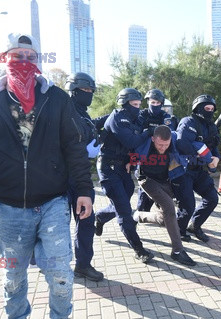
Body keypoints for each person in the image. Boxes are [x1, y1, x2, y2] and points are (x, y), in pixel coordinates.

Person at [0, 33, 94, 319]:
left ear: (38, 61)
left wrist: (84, 189)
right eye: (17, 56)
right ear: (4, 58)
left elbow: (74, 146)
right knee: (13, 279)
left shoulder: (56, 98)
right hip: (9, 208)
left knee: (61, 276)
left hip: (53, 203)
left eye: (31, 57)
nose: (24, 62)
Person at [94, 88, 155, 263]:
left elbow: (135, 146)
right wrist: (147, 132)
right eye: (134, 104)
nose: (137, 108)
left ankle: (100, 217)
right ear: (125, 103)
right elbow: (131, 141)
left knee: (123, 199)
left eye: (139, 104)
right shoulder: (118, 118)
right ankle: (139, 249)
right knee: (124, 211)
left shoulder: (133, 118)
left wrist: (133, 160)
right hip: (108, 168)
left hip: (124, 168)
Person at [131, 125, 197, 266]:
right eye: (160, 144)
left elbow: (189, 146)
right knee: (169, 208)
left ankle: (138, 216)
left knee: (164, 219)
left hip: (165, 181)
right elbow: (129, 147)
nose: (163, 148)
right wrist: (127, 163)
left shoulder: (174, 141)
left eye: (166, 145)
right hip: (147, 180)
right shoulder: (145, 143)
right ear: (153, 139)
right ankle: (178, 251)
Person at [64, 72, 104, 281]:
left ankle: (83, 264)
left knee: (86, 221)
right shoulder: (62, 112)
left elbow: (89, 129)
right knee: (59, 225)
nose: (88, 94)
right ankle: (53, 263)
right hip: (62, 177)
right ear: (73, 91)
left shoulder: (84, 114)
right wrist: (83, 148)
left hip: (82, 177)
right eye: (84, 90)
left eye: (90, 91)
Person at [172, 94, 220, 243]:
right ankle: (179, 230)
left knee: (212, 198)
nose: (210, 111)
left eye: (212, 109)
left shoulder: (212, 126)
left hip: (200, 171)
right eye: (207, 108)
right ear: (198, 108)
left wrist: (215, 158)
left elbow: (214, 147)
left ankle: (195, 225)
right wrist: (201, 157)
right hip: (184, 170)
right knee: (188, 204)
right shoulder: (188, 122)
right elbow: (182, 143)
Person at [136, 89, 176, 213]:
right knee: (142, 207)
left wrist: (150, 131)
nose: (155, 105)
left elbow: (169, 131)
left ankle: (162, 210)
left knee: (162, 188)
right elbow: (137, 132)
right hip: (146, 157)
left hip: (162, 158)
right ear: (148, 102)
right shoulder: (142, 115)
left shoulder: (165, 116)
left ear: (162, 103)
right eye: (152, 102)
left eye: (158, 103)